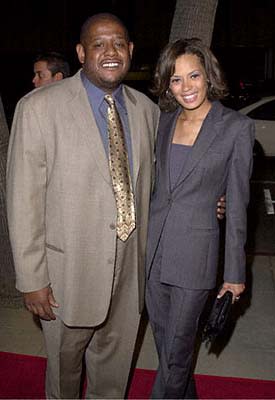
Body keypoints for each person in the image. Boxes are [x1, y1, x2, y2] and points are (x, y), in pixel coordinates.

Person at [7, 13, 160, 399]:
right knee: (64, 375)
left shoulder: (148, 111)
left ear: (130, 51)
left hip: (129, 274)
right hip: (65, 276)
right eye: (98, 43)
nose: (110, 51)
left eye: (118, 43)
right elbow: (23, 199)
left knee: (113, 376)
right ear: (81, 52)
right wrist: (32, 279)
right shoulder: (39, 108)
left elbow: (157, 186)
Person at [145, 38, 255, 399]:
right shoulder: (162, 122)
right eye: (176, 79)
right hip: (153, 251)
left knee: (177, 352)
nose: (186, 86)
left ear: (208, 76)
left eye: (194, 75)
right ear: (167, 83)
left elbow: (238, 203)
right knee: (165, 345)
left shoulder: (235, 127)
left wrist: (234, 274)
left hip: (196, 256)